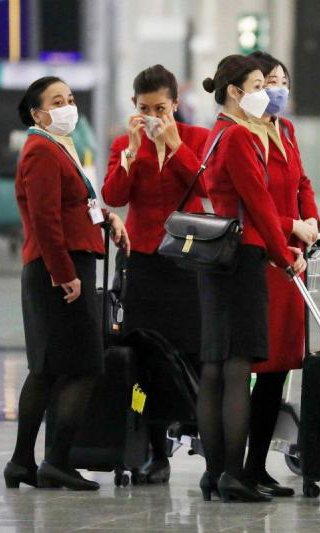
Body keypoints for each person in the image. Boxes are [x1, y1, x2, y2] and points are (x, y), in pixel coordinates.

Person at [4, 76, 129, 491]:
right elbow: (44, 219)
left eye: (71, 98)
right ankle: (53, 461)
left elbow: (78, 204)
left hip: (63, 268)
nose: (67, 106)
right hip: (57, 273)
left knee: (49, 369)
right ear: (38, 113)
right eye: (57, 101)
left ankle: (24, 463)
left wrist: (107, 219)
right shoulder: (41, 151)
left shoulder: (58, 148)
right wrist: (64, 275)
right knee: (80, 367)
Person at [197, 54, 306, 503]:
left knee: (215, 369)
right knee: (238, 368)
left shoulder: (214, 134)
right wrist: (285, 257)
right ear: (236, 92)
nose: (266, 92)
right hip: (242, 258)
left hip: (216, 259)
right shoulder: (239, 137)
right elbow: (259, 205)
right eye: (259, 85)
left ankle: (217, 473)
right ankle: (232, 475)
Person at [101, 64, 210, 484]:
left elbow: (203, 188)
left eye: (161, 107)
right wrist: (131, 150)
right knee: (144, 360)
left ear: (175, 105)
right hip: (145, 260)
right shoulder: (123, 146)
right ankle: (153, 450)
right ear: (134, 106)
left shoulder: (197, 138)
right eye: (145, 108)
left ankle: (207, 447)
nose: (153, 116)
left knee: (196, 354)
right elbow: (114, 195)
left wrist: (175, 143)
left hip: (188, 262)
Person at [243, 51, 320, 497]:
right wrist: (290, 228)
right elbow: (258, 201)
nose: (277, 89)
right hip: (268, 260)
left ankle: (258, 465)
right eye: (268, 81)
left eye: (282, 80)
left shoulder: (285, 130)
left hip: (293, 256)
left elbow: (301, 183)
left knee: (279, 370)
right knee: (261, 365)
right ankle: (244, 464)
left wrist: (310, 222)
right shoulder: (246, 136)